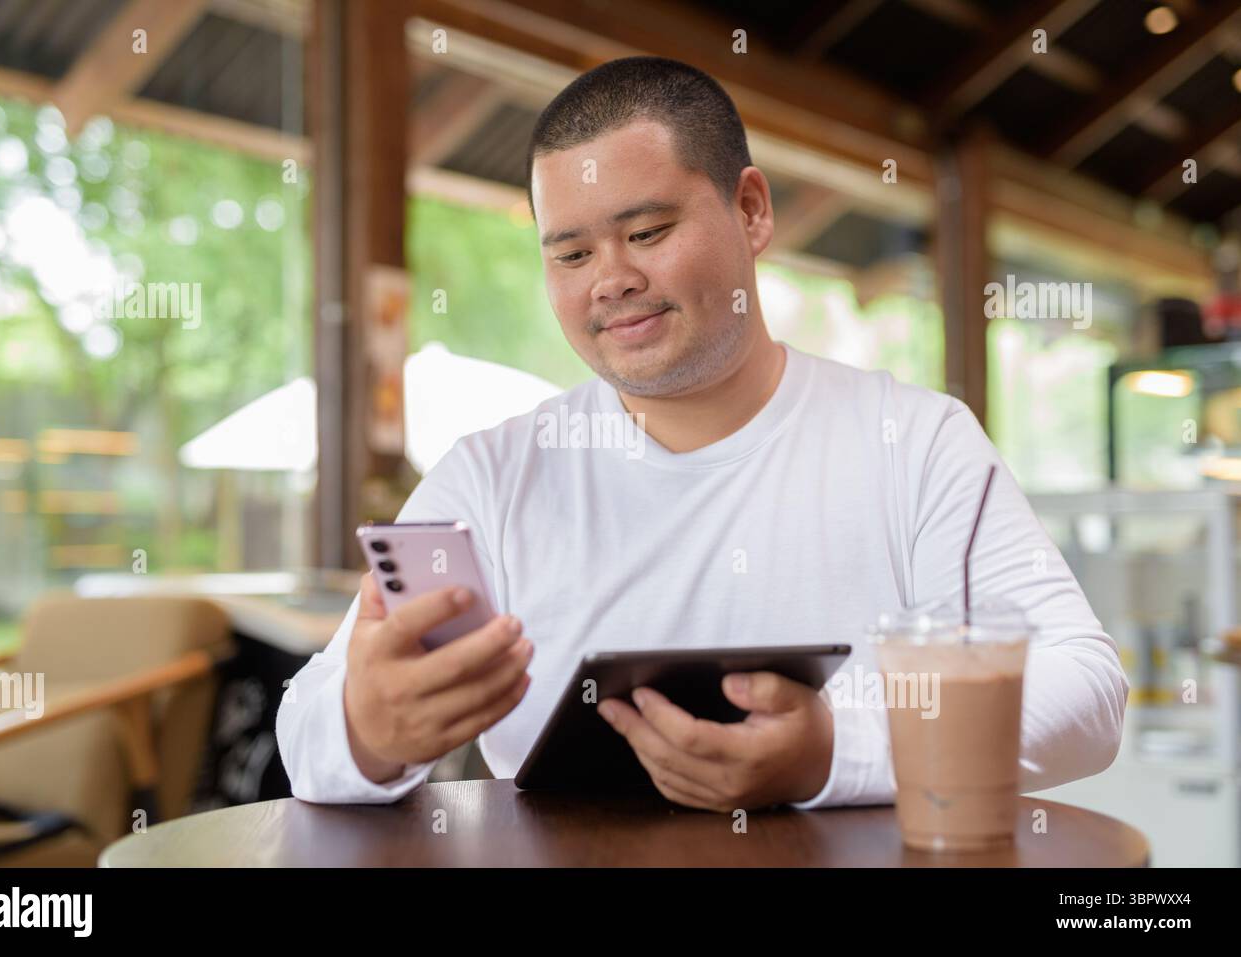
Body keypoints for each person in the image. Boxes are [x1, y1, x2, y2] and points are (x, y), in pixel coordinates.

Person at [277, 56, 1127, 812]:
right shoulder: (492, 476)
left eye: (647, 232)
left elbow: (1086, 690)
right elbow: (306, 728)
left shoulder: (917, 441)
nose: (613, 279)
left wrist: (832, 749)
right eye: (570, 256)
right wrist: (370, 724)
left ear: (751, 211)